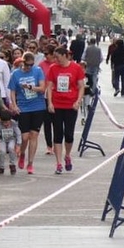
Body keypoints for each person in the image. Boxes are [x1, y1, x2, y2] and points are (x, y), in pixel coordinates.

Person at [45, 46, 86, 174]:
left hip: (70, 105)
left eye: (57, 57)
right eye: (54, 57)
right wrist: (50, 103)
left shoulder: (76, 68)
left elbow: (81, 86)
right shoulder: (53, 68)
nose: (55, 59)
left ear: (65, 55)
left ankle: (67, 155)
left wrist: (78, 100)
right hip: (57, 105)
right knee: (57, 134)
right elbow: (50, 86)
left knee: (69, 134)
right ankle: (58, 163)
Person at [8, 51, 46, 175]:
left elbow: (42, 88)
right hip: (24, 107)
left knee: (34, 135)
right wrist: (14, 105)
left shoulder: (38, 71)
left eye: (31, 65)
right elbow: (12, 91)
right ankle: (22, 153)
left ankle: (30, 163)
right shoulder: (15, 74)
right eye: (27, 65)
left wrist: (30, 87)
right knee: (24, 137)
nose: (29, 67)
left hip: (38, 106)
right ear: (22, 62)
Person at [0, 109, 22, 176]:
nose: (5, 124)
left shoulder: (14, 124)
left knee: (11, 148)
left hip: (12, 139)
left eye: (7, 122)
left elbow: (18, 133)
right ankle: (1, 167)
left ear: (10, 120)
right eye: (3, 122)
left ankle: (12, 164)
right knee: (2, 151)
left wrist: (18, 144)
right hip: (2, 140)